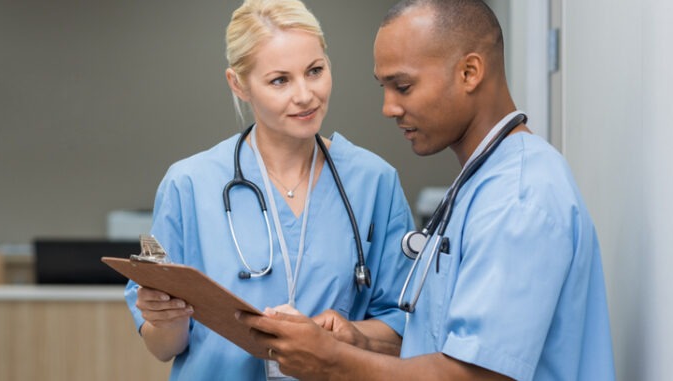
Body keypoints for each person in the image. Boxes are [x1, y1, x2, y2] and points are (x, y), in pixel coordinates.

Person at [236, 0, 616, 380]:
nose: (388, 107)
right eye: (384, 87)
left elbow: (477, 375)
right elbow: (436, 343)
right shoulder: (480, 183)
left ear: (469, 72)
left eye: (403, 86)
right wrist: (357, 341)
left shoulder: (518, 196)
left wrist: (332, 362)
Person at [123, 0, 415, 379]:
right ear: (238, 84)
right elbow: (164, 348)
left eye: (315, 71)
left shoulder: (374, 181)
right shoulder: (190, 184)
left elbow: (404, 327)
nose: (305, 95)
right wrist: (167, 319)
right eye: (280, 80)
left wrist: (346, 334)